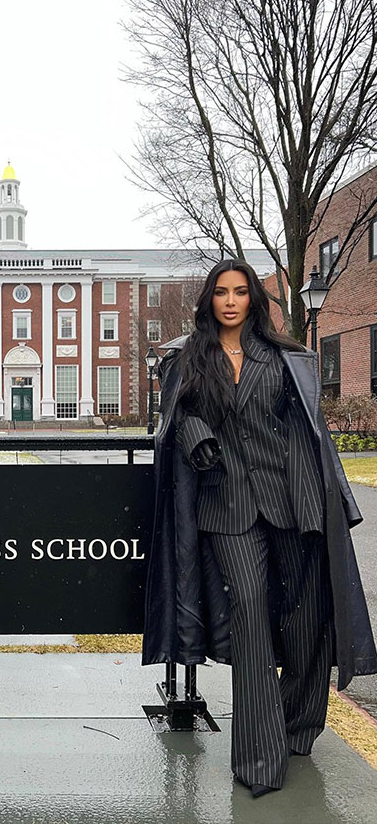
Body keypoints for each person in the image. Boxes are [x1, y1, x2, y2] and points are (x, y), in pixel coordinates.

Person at [141, 258, 377, 798]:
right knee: (249, 618)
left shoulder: (285, 358)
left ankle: (297, 727)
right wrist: (197, 432)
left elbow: (309, 432)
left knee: (306, 620)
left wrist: (322, 502)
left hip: (293, 504)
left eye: (240, 292)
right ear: (209, 300)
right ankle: (258, 760)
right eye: (221, 292)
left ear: (253, 300)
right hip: (227, 508)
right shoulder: (191, 360)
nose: (230, 301)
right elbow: (174, 419)